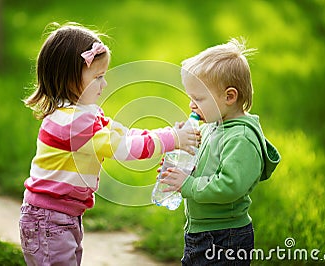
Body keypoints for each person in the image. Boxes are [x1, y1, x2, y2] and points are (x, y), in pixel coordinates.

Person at [19, 22, 199, 265]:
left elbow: (124, 134)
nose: (104, 85)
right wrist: (171, 140)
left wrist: (169, 135)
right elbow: (125, 149)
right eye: (98, 77)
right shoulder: (74, 125)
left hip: (61, 216)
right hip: (49, 220)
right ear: (70, 78)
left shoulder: (82, 114)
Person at [161, 38, 281, 265]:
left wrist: (188, 185)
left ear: (229, 97)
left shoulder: (241, 138)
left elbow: (230, 186)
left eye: (198, 99)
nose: (191, 106)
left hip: (225, 237)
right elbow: (207, 163)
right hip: (204, 231)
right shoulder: (214, 126)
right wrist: (182, 151)